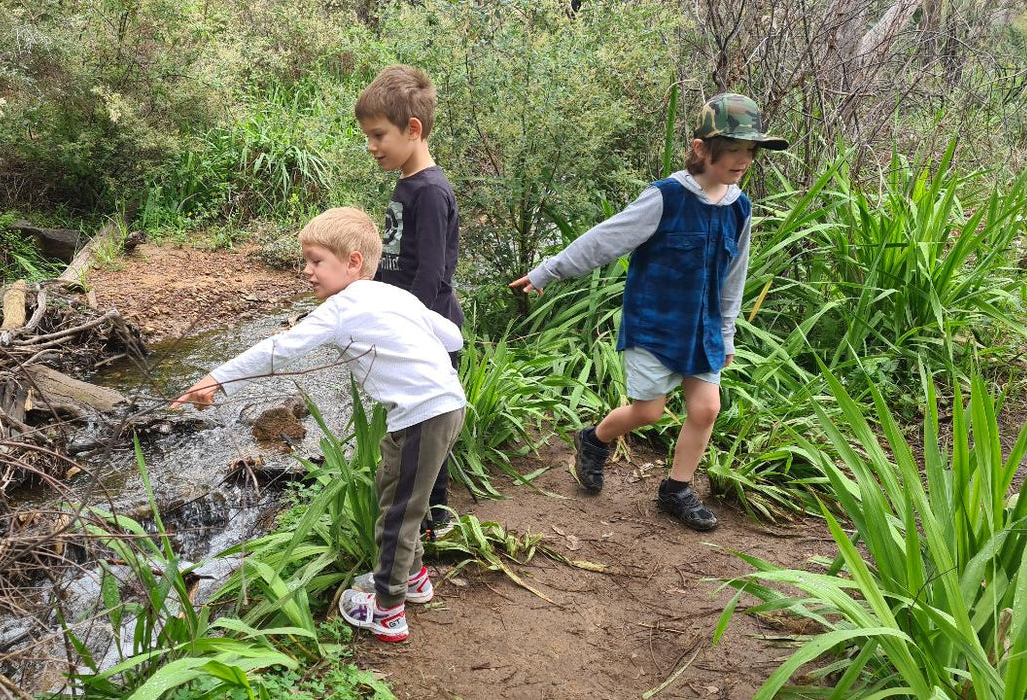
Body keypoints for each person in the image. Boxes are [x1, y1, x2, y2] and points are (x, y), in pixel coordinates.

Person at [172, 207, 466, 642]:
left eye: (315, 261)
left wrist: (217, 378)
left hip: (422, 415)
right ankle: (413, 578)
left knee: (398, 513)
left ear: (352, 263)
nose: (306, 271)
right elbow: (454, 338)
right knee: (399, 495)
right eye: (305, 261)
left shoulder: (342, 308)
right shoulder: (393, 296)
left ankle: (388, 611)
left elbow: (280, 349)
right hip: (442, 407)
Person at [509, 93, 789, 531]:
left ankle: (676, 488)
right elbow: (605, 239)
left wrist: (728, 333)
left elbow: (734, 277)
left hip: (705, 329)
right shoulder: (665, 198)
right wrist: (548, 271)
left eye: (750, 151)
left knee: (706, 409)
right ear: (701, 148)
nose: (743, 160)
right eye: (733, 149)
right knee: (649, 412)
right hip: (654, 326)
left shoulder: (740, 208)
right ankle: (594, 438)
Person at [355, 64, 463, 536]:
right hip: (411, 326)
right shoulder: (406, 183)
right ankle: (420, 512)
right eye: (368, 137)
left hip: (430, 332)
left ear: (412, 130)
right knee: (410, 427)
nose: (372, 146)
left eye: (379, 135)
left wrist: (406, 326)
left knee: (426, 432)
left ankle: (433, 516)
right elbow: (398, 259)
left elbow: (433, 273)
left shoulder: (432, 191)